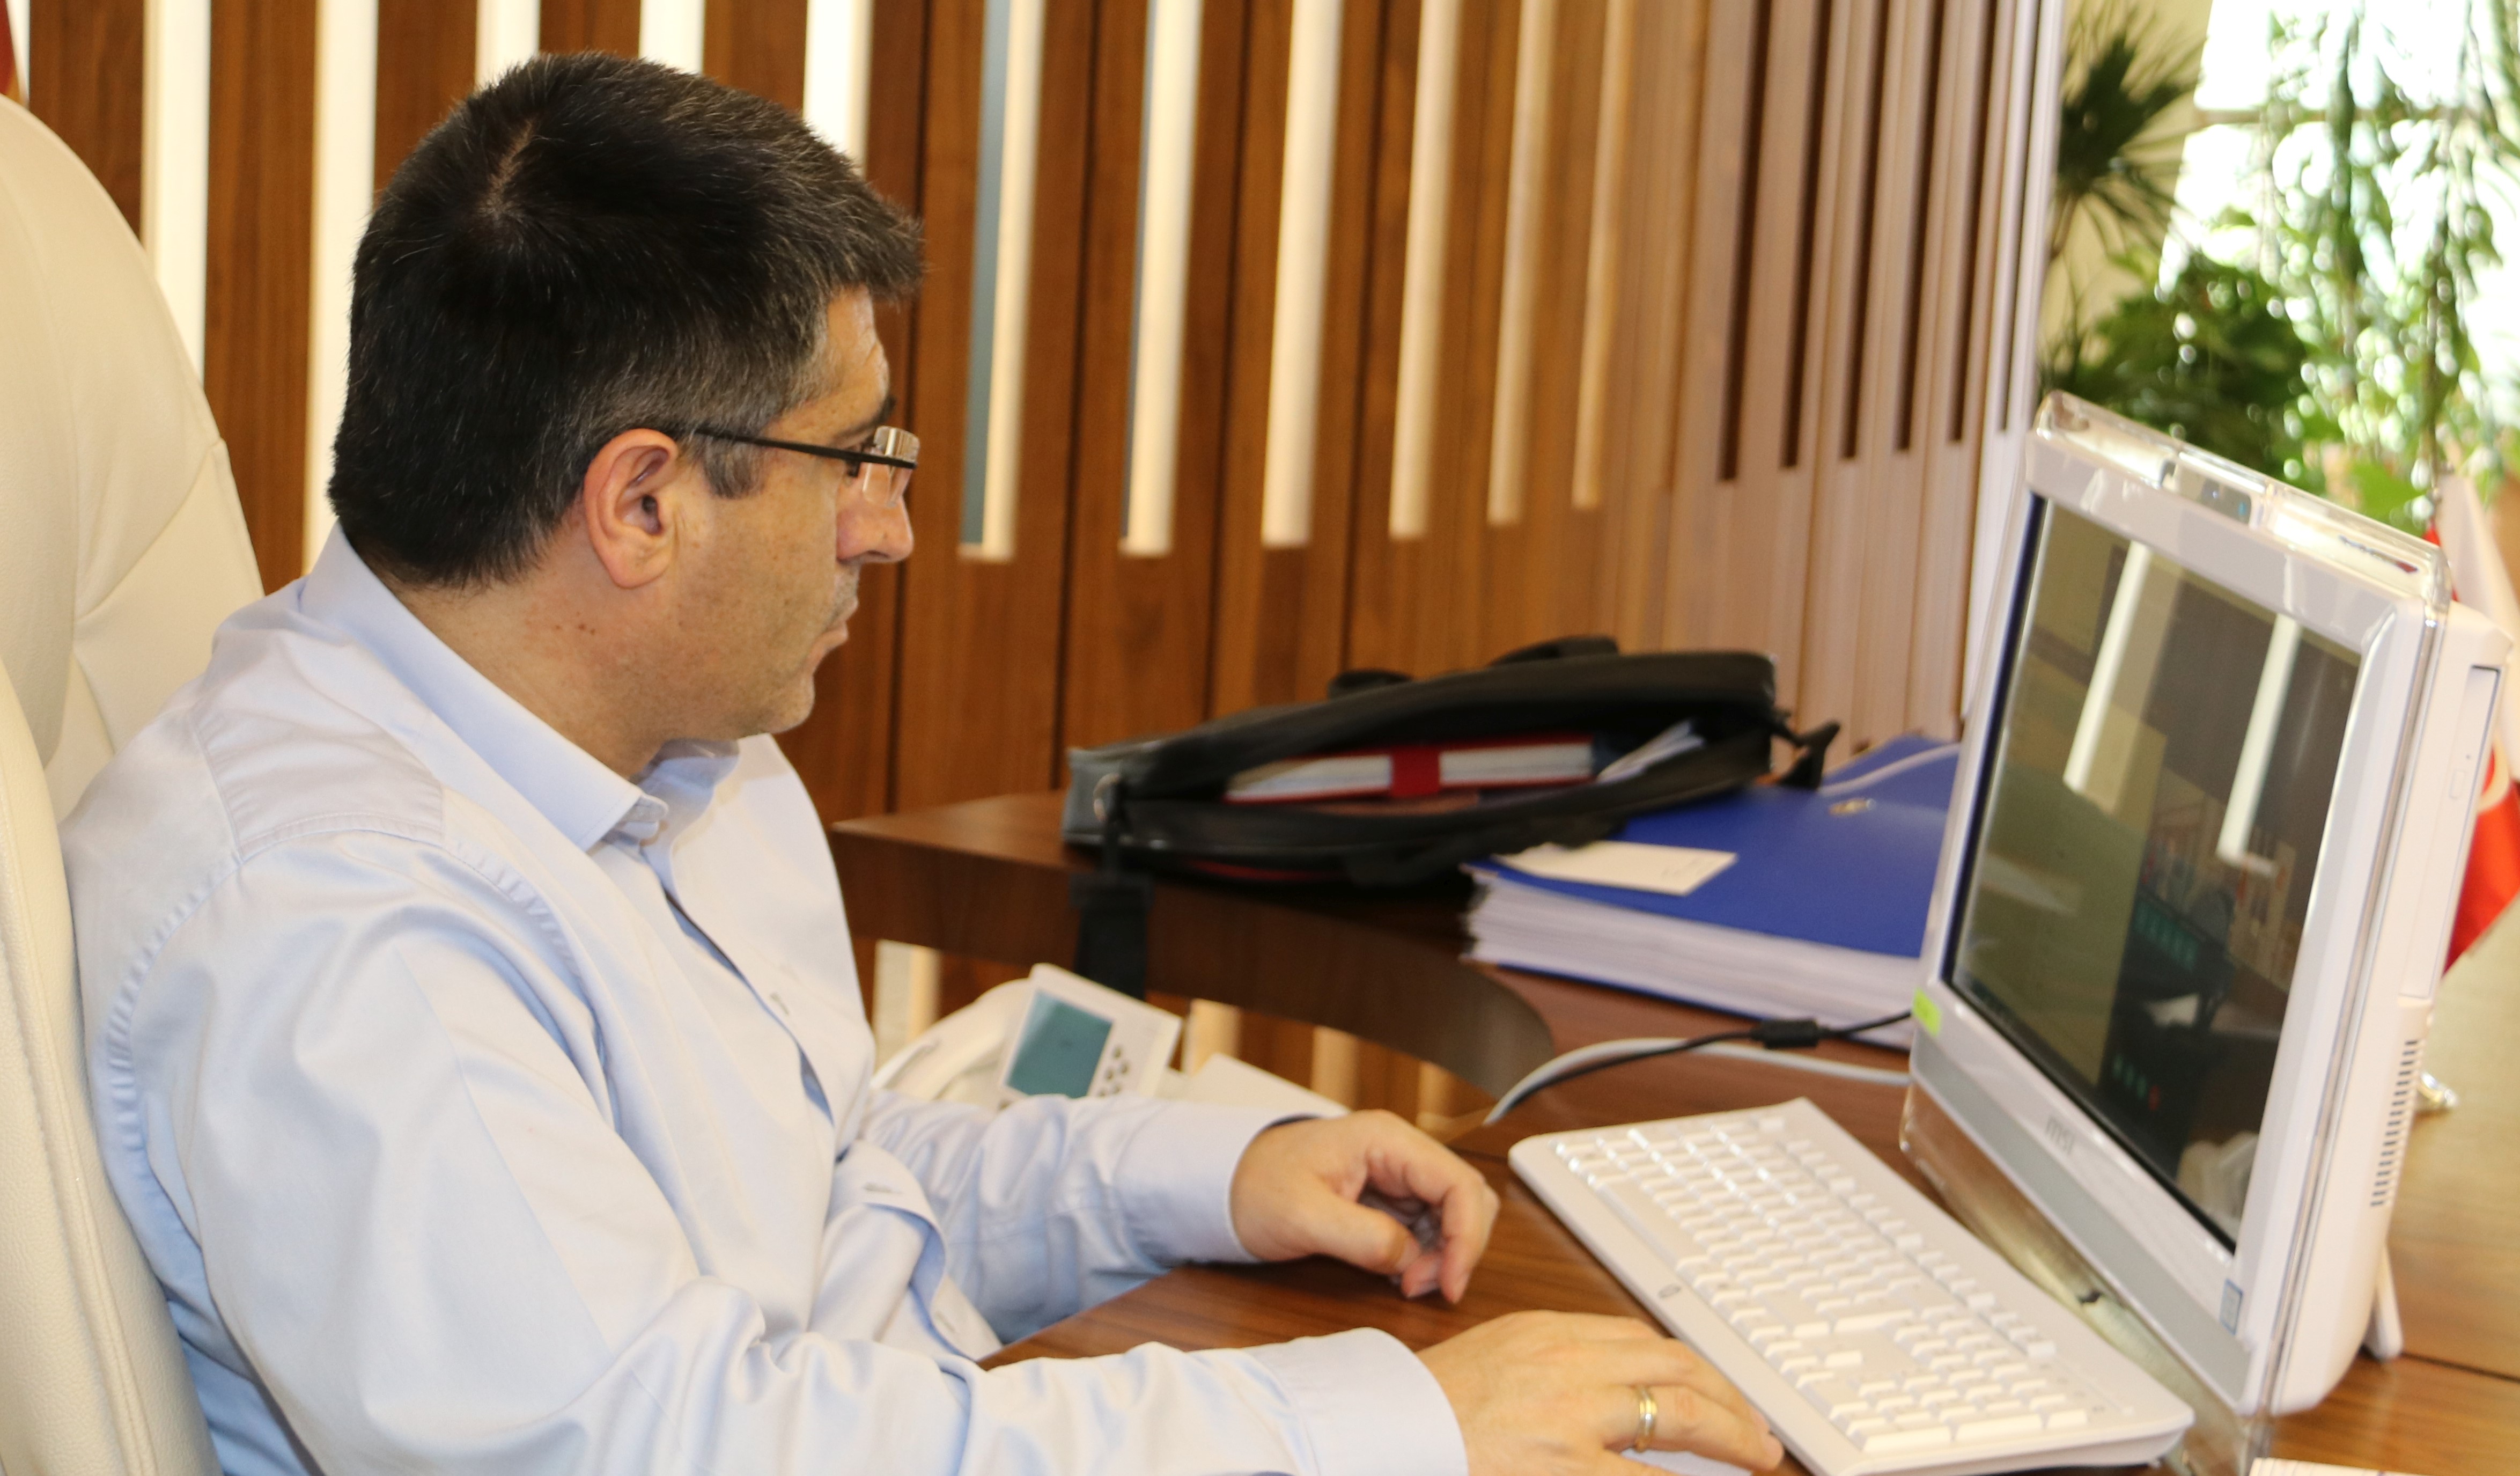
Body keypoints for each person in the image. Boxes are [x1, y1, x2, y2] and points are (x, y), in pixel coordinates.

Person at [61, 53, 1782, 1476]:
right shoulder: (331, 929)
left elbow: (828, 1197)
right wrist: (1383, 1428)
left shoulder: (667, 752)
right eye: (854, 455)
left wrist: (1198, 1178)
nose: (885, 529)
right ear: (641, 502)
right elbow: (674, 1445)